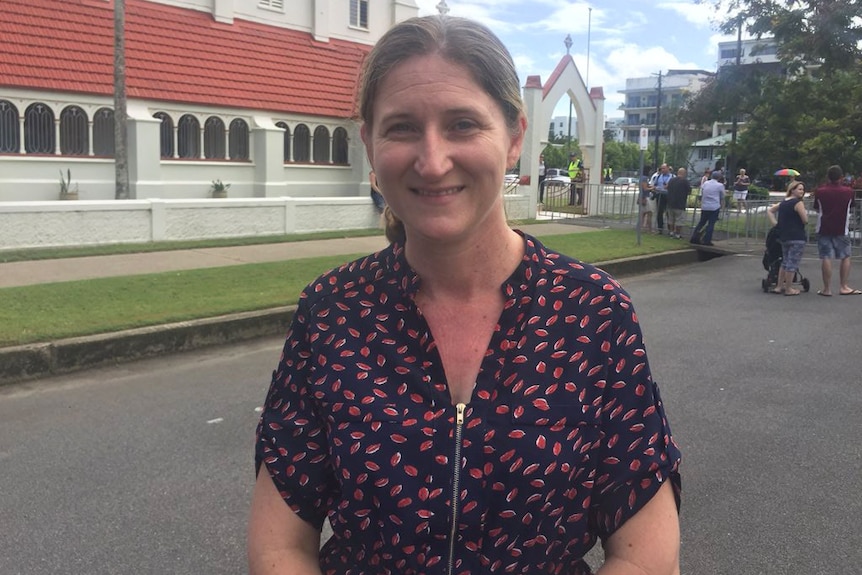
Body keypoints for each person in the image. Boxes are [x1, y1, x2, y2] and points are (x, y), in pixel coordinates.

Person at [248, 14, 681, 575]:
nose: (432, 161)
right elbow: (280, 546)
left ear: (514, 137)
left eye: (462, 125)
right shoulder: (332, 314)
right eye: (401, 128)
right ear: (370, 145)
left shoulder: (592, 313)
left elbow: (645, 555)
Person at [812, 165, 859, 296]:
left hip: (824, 227)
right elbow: (852, 207)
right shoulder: (849, 192)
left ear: (828, 177)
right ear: (841, 177)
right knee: (845, 256)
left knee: (826, 257)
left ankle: (827, 289)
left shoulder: (820, 191)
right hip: (841, 228)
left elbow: (817, 208)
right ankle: (844, 286)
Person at [766, 180, 809, 295]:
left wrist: (775, 224)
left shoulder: (784, 203)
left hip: (784, 236)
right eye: (799, 189)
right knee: (792, 262)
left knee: (785, 262)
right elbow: (805, 220)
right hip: (797, 236)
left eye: (803, 189)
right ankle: (789, 288)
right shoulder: (798, 203)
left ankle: (779, 286)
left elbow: (770, 211)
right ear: (792, 190)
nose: (802, 191)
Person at [690, 170, 724, 246]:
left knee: (701, 222)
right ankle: (707, 240)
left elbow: (702, 192)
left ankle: (694, 237)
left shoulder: (706, 183)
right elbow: (722, 196)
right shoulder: (720, 186)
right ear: (719, 177)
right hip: (714, 206)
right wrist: (722, 206)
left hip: (705, 206)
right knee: (711, 224)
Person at [666, 167, 691, 239]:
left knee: (671, 219)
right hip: (680, 203)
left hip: (670, 202)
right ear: (684, 173)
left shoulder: (671, 180)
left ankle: (671, 232)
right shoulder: (685, 181)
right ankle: (677, 234)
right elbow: (689, 191)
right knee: (679, 220)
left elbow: (667, 187)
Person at [652, 164, 672, 234]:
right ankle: (660, 228)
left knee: (669, 212)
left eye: (664, 168)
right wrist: (656, 188)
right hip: (660, 194)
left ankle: (670, 230)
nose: (662, 170)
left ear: (668, 168)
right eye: (662, 168)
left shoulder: (672, 177)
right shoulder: (658, 177)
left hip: (669, 195)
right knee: (660, 212)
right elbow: (654, 186)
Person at [639, 165, 656, 234]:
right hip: (645, 196)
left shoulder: (641, 177)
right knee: (649, 213)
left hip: (642, 196)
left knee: (643, 213)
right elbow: (645, 188)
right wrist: (652, 188)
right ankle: (650, 229)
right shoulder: (645, 178)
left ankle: (641, 227)